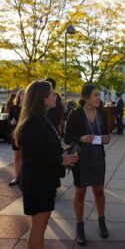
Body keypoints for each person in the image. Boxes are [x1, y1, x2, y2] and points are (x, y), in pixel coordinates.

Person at [13, 80, 78, 249]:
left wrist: (62, 150)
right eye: (52, 93)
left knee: (41, 224)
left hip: (42, 181)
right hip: (37, 183)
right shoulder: (34, 122)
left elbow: (42, 149)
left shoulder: (40, 119)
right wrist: (61, 160)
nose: (55, 95)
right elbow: (36, 157)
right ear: (43, 99)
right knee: (38, 226)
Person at [64, 84, 110, 246]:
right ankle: (79, 226)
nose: (99, 98)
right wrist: (81, 138)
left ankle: (102, 221)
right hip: (81, 158)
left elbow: (106, 134)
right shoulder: (75, 114)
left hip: (98, 157)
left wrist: (106, 138)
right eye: (95, 95)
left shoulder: (102, 114)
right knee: (80, 192)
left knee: (98, 190)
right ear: (85, 97)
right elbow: (67, 138)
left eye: (99, 94)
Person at [8, 89, 25, 186]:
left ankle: (24, 177)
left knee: (25, 156)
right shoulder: (13, 108)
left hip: (26, 135)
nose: (24, 95)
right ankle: (17, 177)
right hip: (16, 135)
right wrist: (11, 122)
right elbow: (9, 122)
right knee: (16, 156)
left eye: (26, 94)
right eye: (22, 93)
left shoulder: (28, 108)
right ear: (19, 95)